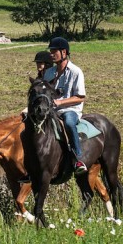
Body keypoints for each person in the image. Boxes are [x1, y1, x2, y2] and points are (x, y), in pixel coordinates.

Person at [48, 37, 88, 175]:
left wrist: (60, 102)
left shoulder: (76, 72)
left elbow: (80, 97)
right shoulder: (49, 73)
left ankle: (78, 158)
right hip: (51, 110)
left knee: (69, 123)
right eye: (50, 51)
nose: (51, 54)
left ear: (64, 52)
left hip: (70, 110)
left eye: (54, 51)